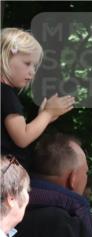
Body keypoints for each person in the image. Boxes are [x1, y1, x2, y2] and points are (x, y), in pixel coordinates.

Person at [1, 28, 74, 165]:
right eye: (27, 63)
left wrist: (44, 118)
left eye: (34, 66)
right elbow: (22, 138)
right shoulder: (6, 94)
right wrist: (47, 114)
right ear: (3, 58)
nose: (32, 72)